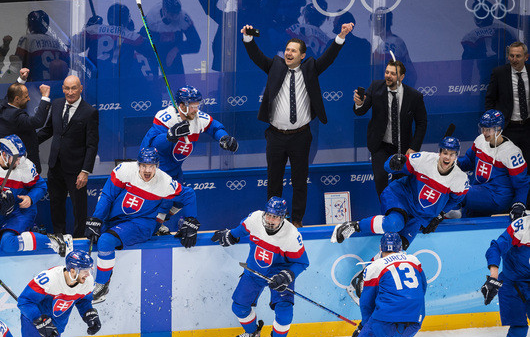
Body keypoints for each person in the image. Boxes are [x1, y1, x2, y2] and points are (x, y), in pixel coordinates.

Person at [242, 20, 353, 227]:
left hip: (301, 136)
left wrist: (341, 37)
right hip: (275, 135)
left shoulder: (311, 68)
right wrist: (248, 38)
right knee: (274, 180)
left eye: (293, 51)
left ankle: (297, 220)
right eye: (287, 49)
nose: (288, 53)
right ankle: (274, 219)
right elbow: (256, 56)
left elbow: (329, 57)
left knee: (300, 181)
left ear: (302, 55)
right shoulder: (274, 65)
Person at [84, 147, 199, 303]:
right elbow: (107, 196)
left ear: (157, 166)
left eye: (151, 166)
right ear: (138, 164)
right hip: (116, 218)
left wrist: (191, 221)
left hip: (141, 224)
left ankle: (102, 286)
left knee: (105, 240)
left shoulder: (165, 182)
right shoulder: (124, 170)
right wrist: (96, 219)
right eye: (144, 165)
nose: (147, 170)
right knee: (94, 235)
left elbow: (188, 194)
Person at [211, 197, 308, 337]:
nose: (270, 220)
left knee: (285, 314)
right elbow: (240, 230)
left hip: (279, 275)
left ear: (283, 217)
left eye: (275, 217)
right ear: (264, 213)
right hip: (254, 270)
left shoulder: (292, 235)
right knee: (239, 307)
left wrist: (286, 276)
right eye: (269, 215)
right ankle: (252, 332)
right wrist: (230, 236)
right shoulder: (255, 218)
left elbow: (302, 262)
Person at [331, 137, 469, 249]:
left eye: (451, 154)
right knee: (394, 224)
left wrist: (439, 215)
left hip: (420, 214)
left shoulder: (460, 179)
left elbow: (455, 200)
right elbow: (389, 167)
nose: (447, 157)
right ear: (440, 153)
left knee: (399, 247)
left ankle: (365, 275)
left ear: (456, 156)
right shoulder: (423, 159)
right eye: (445, 153)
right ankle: (353, 226)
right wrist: (393, 162)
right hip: (401, 197)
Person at [0, 135, 71, 255]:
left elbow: (41, 186)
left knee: (8, 244)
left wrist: (30, 198)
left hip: (19, 212)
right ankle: (31, 235)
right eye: (15, 158)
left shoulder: (26, 166)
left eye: (21, 157)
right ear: (4, 154)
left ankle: (54, 240)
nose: (19, 161)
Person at [37, 74, 100, 238]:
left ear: (81, 88)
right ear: (63, 88)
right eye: (67, 88)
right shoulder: (57, 104)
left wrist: (85, 171)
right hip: (55, 165)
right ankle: (59, 236)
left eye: (73, 88)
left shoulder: (89, 112)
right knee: (56, 204)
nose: (70, 92)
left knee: (79, 207)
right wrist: (29, 142)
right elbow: (49, 130)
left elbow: (92, 145)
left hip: (76, 169)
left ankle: (79, 238)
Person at [353, 60, 428, 195]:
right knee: (380, 180)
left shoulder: (414, 96)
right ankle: (387, 211)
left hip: (403, 148)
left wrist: (414, 147)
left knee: (399, 184)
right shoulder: (376, 87)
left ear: (401, 77)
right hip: (380, 145)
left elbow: (422, 123)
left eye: (393, 74)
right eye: (387, 72)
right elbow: (361, 111)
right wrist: (359, 103)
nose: (388, 76)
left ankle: (398, 212)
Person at [140, 85, 238, 183]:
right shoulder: (165, 118)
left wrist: (224, 137)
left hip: (175, 171)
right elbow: (153, 145)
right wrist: (170, 135)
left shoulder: (198, 117)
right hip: (152, 170)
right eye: (192, 107)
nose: (196, 110)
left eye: (197, 106)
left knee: (181, 196)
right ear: (182, 106)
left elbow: (214, 126)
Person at [483, 213, 530, 337]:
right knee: (519, 329)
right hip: (512, 284)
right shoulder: (521, 226)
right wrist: (493, 276)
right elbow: (495, 248)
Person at [457, 110, 530, 218]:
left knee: (456, 189)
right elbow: (468, 162)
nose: (484, 133)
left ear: (498, 129)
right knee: (465, 219)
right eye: (483, 129)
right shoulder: (480, 140)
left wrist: (519, 204)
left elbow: (522, 184)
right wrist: (453, 164)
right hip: (479, 191)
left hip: (497, 197)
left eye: (488, 130)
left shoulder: (512, 152)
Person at [0, 68, 52, 173]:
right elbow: (38, 121)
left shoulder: (1, 105)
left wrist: (21, 80)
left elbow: (10, 95)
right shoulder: (16, 117)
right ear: (17, 99)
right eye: (26, 97)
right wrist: (45, 97)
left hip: (6, 161)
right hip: (21, 166)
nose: (29, 99)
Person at [485, 42, 530, 165]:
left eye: (518, 56)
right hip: (507, 128)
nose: (514, 59)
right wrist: (492, 126)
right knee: (507, 164)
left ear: (526, 57)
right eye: (511, 56)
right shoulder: (499, 73)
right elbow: (490, 100)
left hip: (528, 127)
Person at [144, 0, 201, 76]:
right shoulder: (152, 18)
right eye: (171, 14)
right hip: (156, 42)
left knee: (177, 80)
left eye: (177, 13)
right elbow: (147, 46)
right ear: (164, 10)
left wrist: (176, 50)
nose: (175, 17)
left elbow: (196, 44)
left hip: (173, 45)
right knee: (151, 75)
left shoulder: (183, 17)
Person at [15, 9, 70, 82]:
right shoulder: (57, 41)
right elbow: (67, 63)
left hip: (34, 85)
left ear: (30, 24)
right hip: (54, 85)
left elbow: (17, 62)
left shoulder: (27, 39)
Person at [371, 7, 417, 87]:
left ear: (382, 23)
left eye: (376, 22)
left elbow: (384, 70)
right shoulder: (384, 44)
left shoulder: (392, 42)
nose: (374, 26)